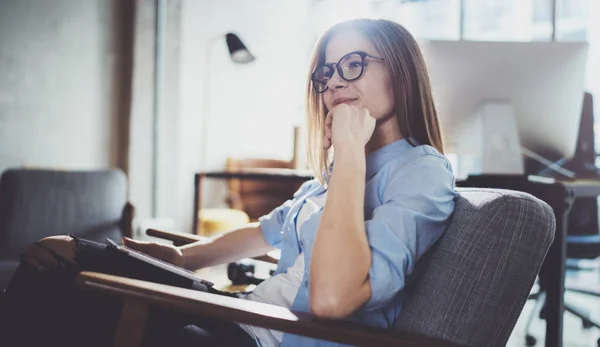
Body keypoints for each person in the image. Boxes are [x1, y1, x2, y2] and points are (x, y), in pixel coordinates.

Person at [0, 18, 457, 347]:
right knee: (53, 251)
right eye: (326, 72)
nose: (334, 82)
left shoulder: (421, 172)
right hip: (237, 310)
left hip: (270, 335)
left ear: (400, 69)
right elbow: (265, 231)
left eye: (353, 64)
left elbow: (335, 299)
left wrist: (352, 152)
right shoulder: (332, 174)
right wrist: (183, 257)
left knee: (64, 291)